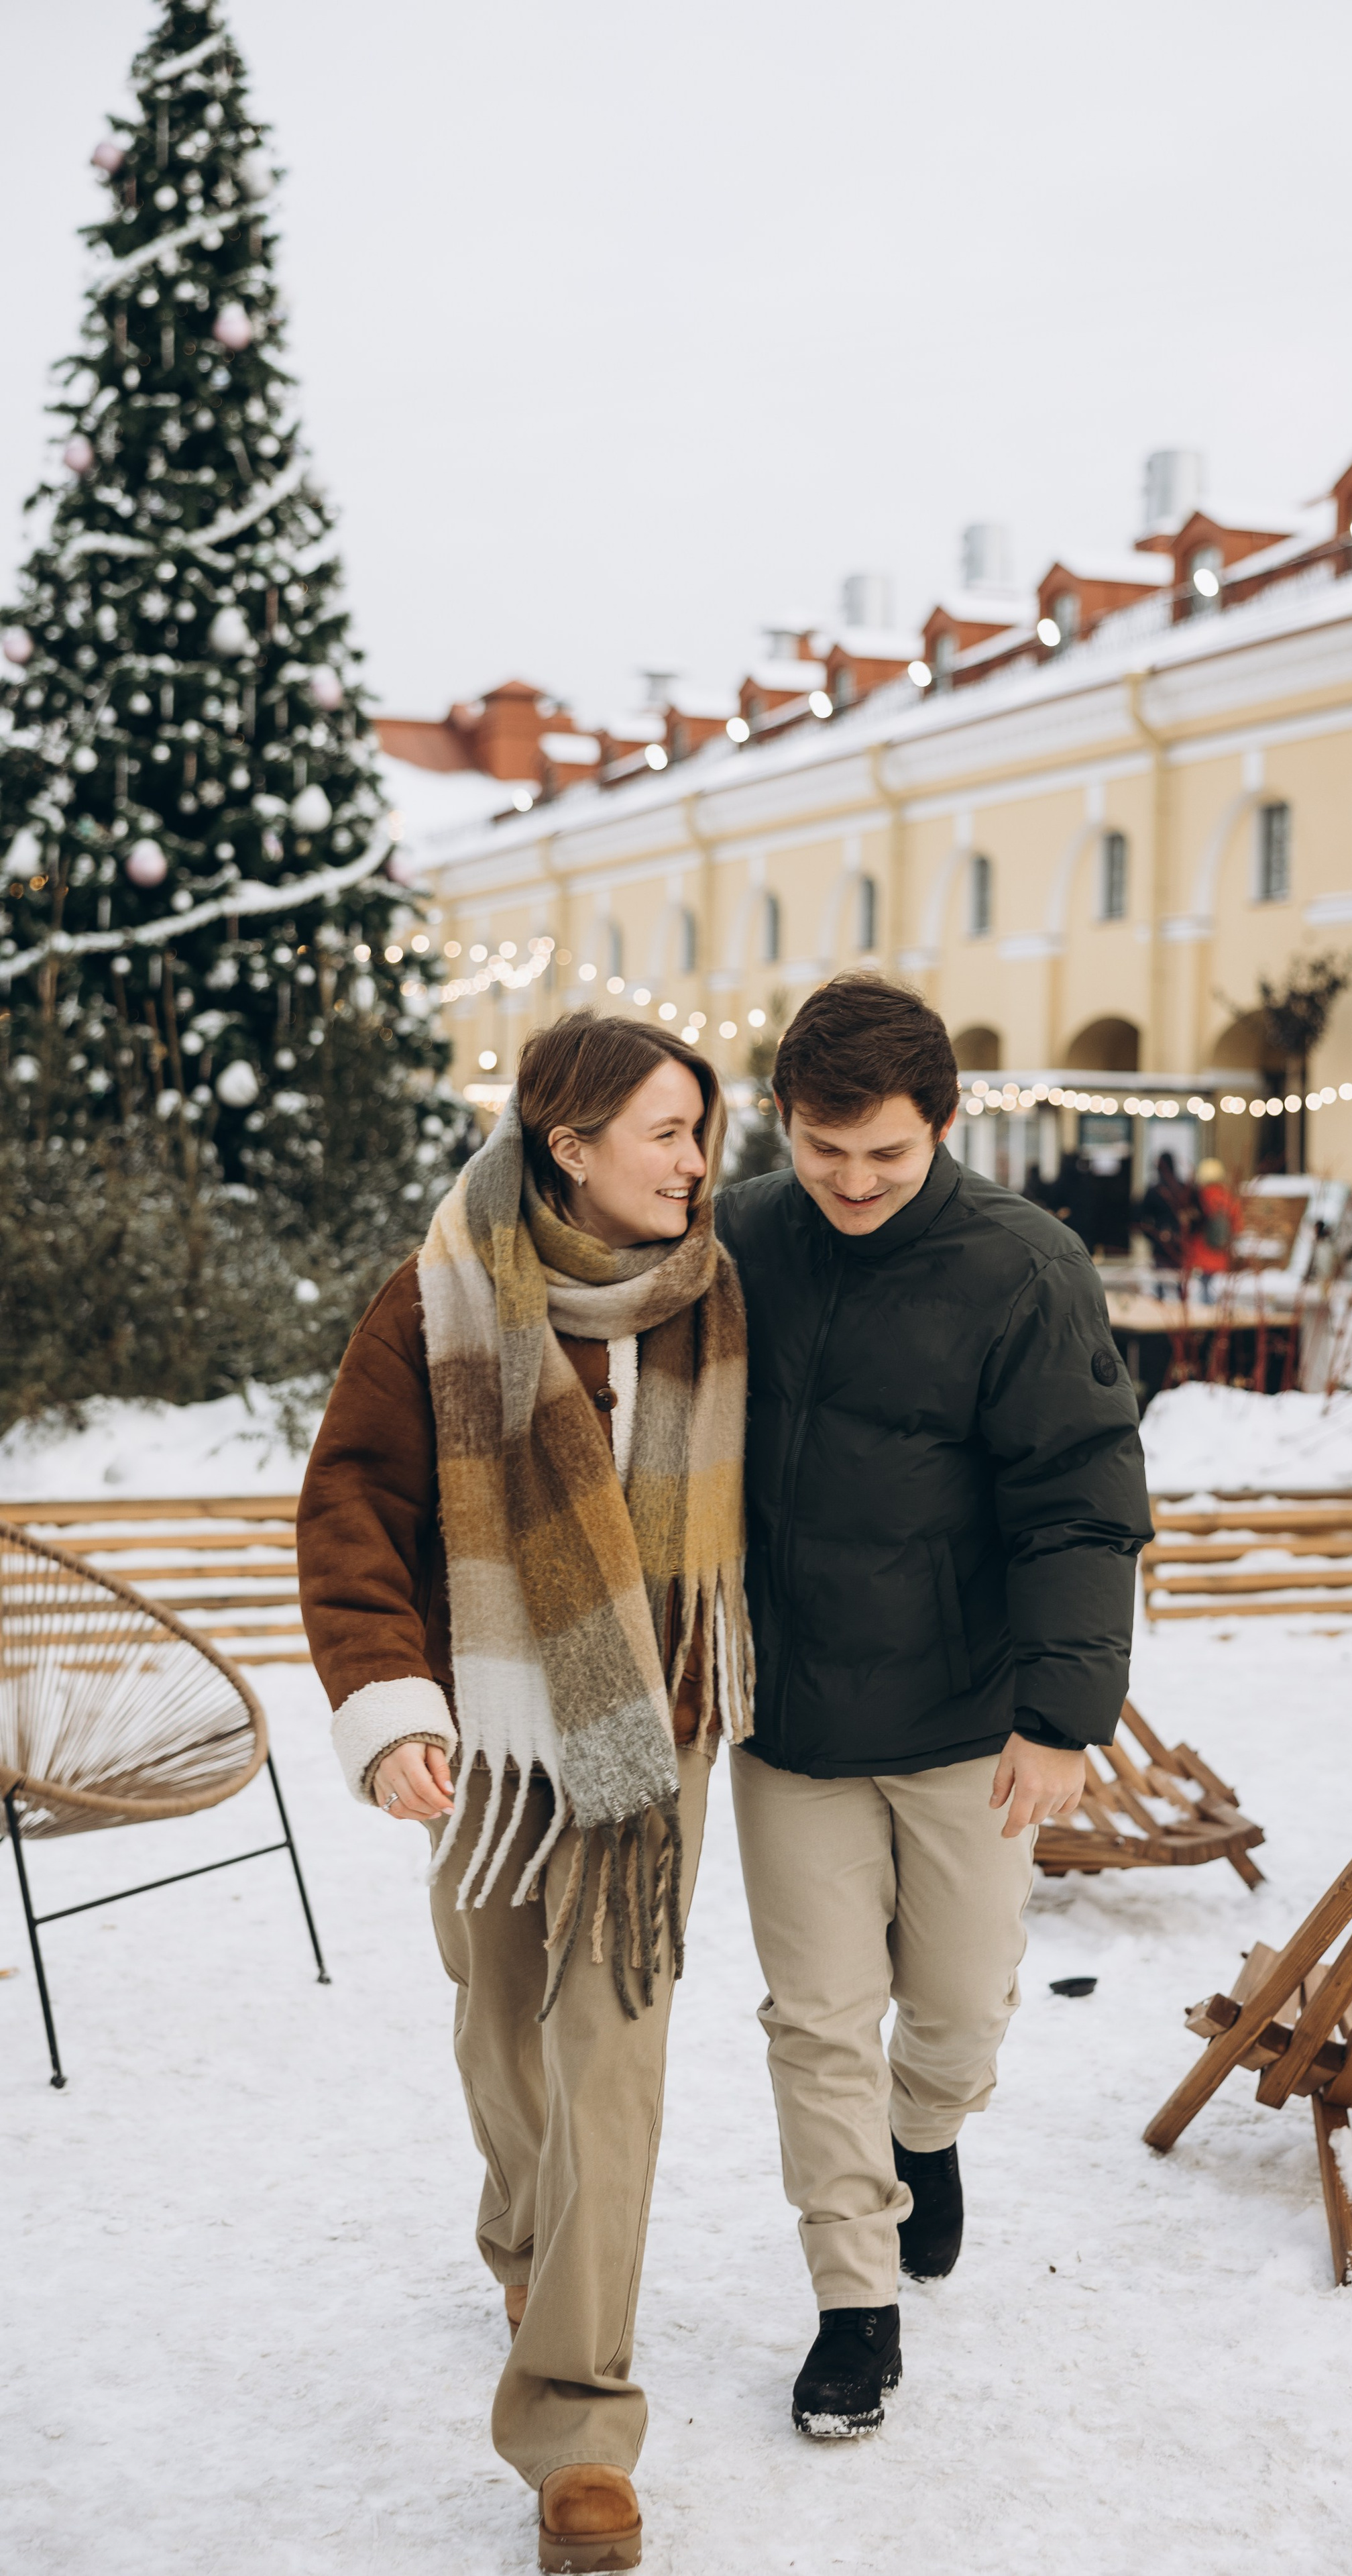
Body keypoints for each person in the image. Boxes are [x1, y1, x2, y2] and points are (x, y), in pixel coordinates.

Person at [297, 1014, 752, 2576]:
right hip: (486, 1742)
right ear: (570, 1145)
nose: (698, 1161)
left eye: (701, 1129)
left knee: (609, 2059)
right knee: (504, 2027)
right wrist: (388, 1701)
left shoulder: (712, 1297)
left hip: (652, 1736)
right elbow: (353, 1500)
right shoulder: (434, 1296)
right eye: (666, 1132)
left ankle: (575, 2425)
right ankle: (518, 2231)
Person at [714, 974, 1151, 2440]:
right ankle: (851, 2303)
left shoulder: (1019, 1267)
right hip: (789, 1720)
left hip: (970, 1718)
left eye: (884, 1157)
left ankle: (929, 2128)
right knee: (815, 2019)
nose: (848, 1184)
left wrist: (1064, 1714)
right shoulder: (733, 1238)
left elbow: (1079, 1503)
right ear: (782, 1123)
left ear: (944, 1127)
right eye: (820, 1152)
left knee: (955, 2004)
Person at [1187, 1154, 1243, 1302]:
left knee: (1202, 1289)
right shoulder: (1228, 1198)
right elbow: (1237, 1227)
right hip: (1221, 1254)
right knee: (1215, 1290)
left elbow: (1191, 1224)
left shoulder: (1199, 1198)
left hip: (1201, 1252)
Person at [1135, 1148, 1194, 1279]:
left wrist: (1154, 1235)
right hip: (1178, 1242)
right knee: (1179, 1280)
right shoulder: (1182, 1189)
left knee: (1160, 1282)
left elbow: (1140, 1217)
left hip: (1162, 1243)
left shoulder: (1154, 1191)